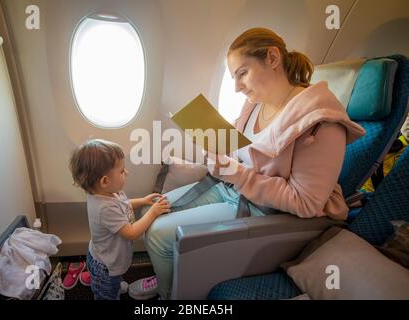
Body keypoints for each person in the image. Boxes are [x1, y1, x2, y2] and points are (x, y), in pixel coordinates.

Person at [142, 27, 366, 299]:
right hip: (233, 190)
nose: (236, 87)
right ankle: (168, 271)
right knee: (154, 211)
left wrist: (237, 174)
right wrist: (217, 153)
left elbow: (306, 202)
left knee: (157, 235)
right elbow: (242, 155)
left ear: (272, 58)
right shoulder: (254, 106)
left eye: (242, 73)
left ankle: (170, 295)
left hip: (266, 212)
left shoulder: (321, 124)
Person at [69, 139, 170, 300]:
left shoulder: (111, 193)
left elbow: (125, 205)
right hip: (106, 267)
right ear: (104, 181)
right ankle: (107, 288)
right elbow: (131, 233)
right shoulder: (104, 208)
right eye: (122, 171)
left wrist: (143, 201)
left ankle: (110, 283)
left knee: (114, 281)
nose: (127, 173)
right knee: (106, 294)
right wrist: (153, 212)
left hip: (104, 255)